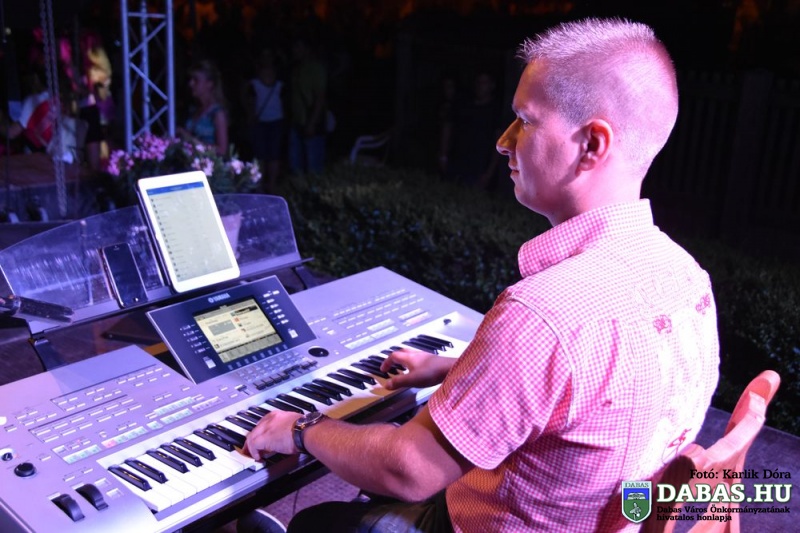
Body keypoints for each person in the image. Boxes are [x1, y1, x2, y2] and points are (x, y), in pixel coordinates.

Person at [240, 18, 720, 532]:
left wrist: (303, 428)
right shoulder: (688, 277)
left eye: (525, 121)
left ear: (592, 144)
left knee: (319, 522)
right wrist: (454, 369)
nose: (503, 141)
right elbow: (597, 393)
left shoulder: (544, 314)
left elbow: (408, 469)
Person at [439, 71, 503, 189]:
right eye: (478, 82)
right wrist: (443, 156)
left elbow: (499, 142)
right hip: (457, 162)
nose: (480, 86)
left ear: (492, 86)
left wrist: (489, 173)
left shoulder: (495, 111)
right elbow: (448, 127)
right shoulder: (464, 105)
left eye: (484, 82)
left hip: (479, 167)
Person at [245, 48, 285, 192]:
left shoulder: (280, 79)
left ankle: (272, 185)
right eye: (264, 56)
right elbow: (249, 101)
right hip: (260, 121)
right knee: (260, 155)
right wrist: (250, 117)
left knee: (274, 155)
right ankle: (260, 185)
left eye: (269, 56)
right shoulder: (253, 81)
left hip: (277, 120)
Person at [287, 34, 327, 175]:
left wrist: (312, 123)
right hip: (296, 122)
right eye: (294, 47)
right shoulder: (296, 69)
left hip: (311, 122)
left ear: (307, 49)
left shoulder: (316, 68)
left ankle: (314, 188)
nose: (294, 50)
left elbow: (320, 98)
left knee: (313, 166)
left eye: (298, 47)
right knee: (295, 164)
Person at [178, 59, 229, 156]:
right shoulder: (193, 110)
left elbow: (222, 150)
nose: (191, 84)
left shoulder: (217, 113)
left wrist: (191, 140)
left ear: (209, 84)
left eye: (196, 80)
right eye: (191, 80)